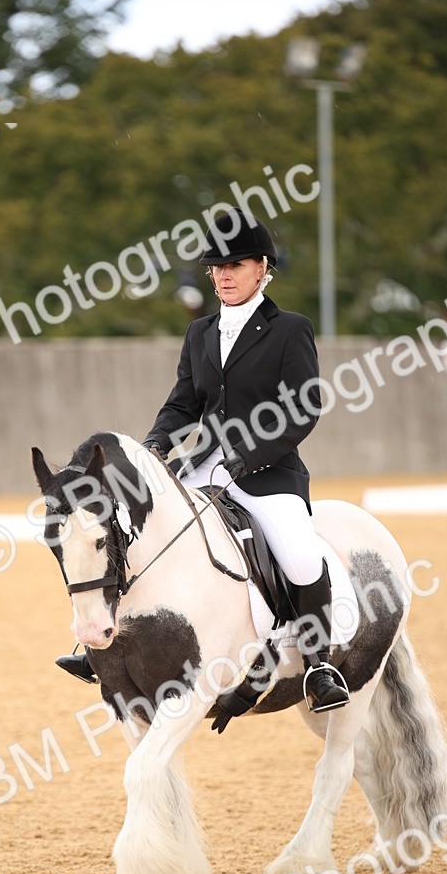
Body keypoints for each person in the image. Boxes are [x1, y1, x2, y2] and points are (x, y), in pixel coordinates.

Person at [56, 207, 349, 714]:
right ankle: (102, 643)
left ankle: (320, 662)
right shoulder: (200, 334)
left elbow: (304, 409)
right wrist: (155, 446)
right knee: (136, 532)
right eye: (216, 267)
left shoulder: (290, 330)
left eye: (235, 266)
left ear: (262, 268)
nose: (224, 276)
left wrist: (246, 457)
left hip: (269, 472)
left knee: (300, 553)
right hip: (200, 467)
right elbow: (183, 403)